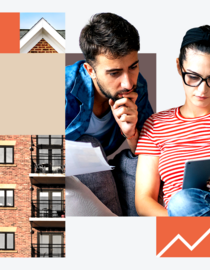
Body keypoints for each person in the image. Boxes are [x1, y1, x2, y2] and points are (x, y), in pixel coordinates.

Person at [135, 25, 210, 217]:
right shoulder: (156, 124)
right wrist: (180, 220)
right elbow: (144, 201)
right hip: (180, 219)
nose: (202, 90)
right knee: (182, 201)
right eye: (193, 77)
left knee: (182, 202)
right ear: (179, 67)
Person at [65, 13, 154, 216]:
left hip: (104, 166)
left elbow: (149, 150)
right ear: (90, 70)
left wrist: (131, 134)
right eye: (114, 73)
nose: (128, 83)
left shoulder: (137, 86)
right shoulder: (62, 87)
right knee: (88, 144)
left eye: (133, 67)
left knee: (142, 164)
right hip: (65, 174)